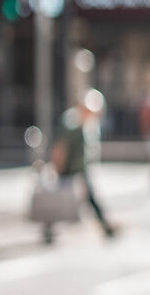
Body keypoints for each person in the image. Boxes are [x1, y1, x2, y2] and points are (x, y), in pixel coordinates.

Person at [47, 89, 119, 240]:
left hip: (81, 168)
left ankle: (105, 225)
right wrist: (57, 167)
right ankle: (49, 226)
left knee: (90, 198)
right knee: (61, 197)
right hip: (68, 168)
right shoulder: (72, 123)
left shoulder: (91, 125)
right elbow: (61, 147)